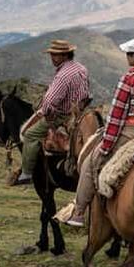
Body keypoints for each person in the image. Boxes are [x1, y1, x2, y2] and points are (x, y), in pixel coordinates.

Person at [59, 36, 134, 227]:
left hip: (130, 133)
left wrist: (106, 145)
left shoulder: (129, 79)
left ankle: (79, 212)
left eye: (128, 54)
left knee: (90, 164)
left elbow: (116, 117)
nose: (126, 57)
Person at [11, 39, 90, 185]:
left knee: (29, 135)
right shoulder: (81, 68)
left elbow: (49, 103)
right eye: (52, 54)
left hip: (61, 115)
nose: (52, 58)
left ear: (65, 55)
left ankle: (27, 173)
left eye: (56, 55)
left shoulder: (62, 76)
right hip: (81, 112)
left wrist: (43, 113)